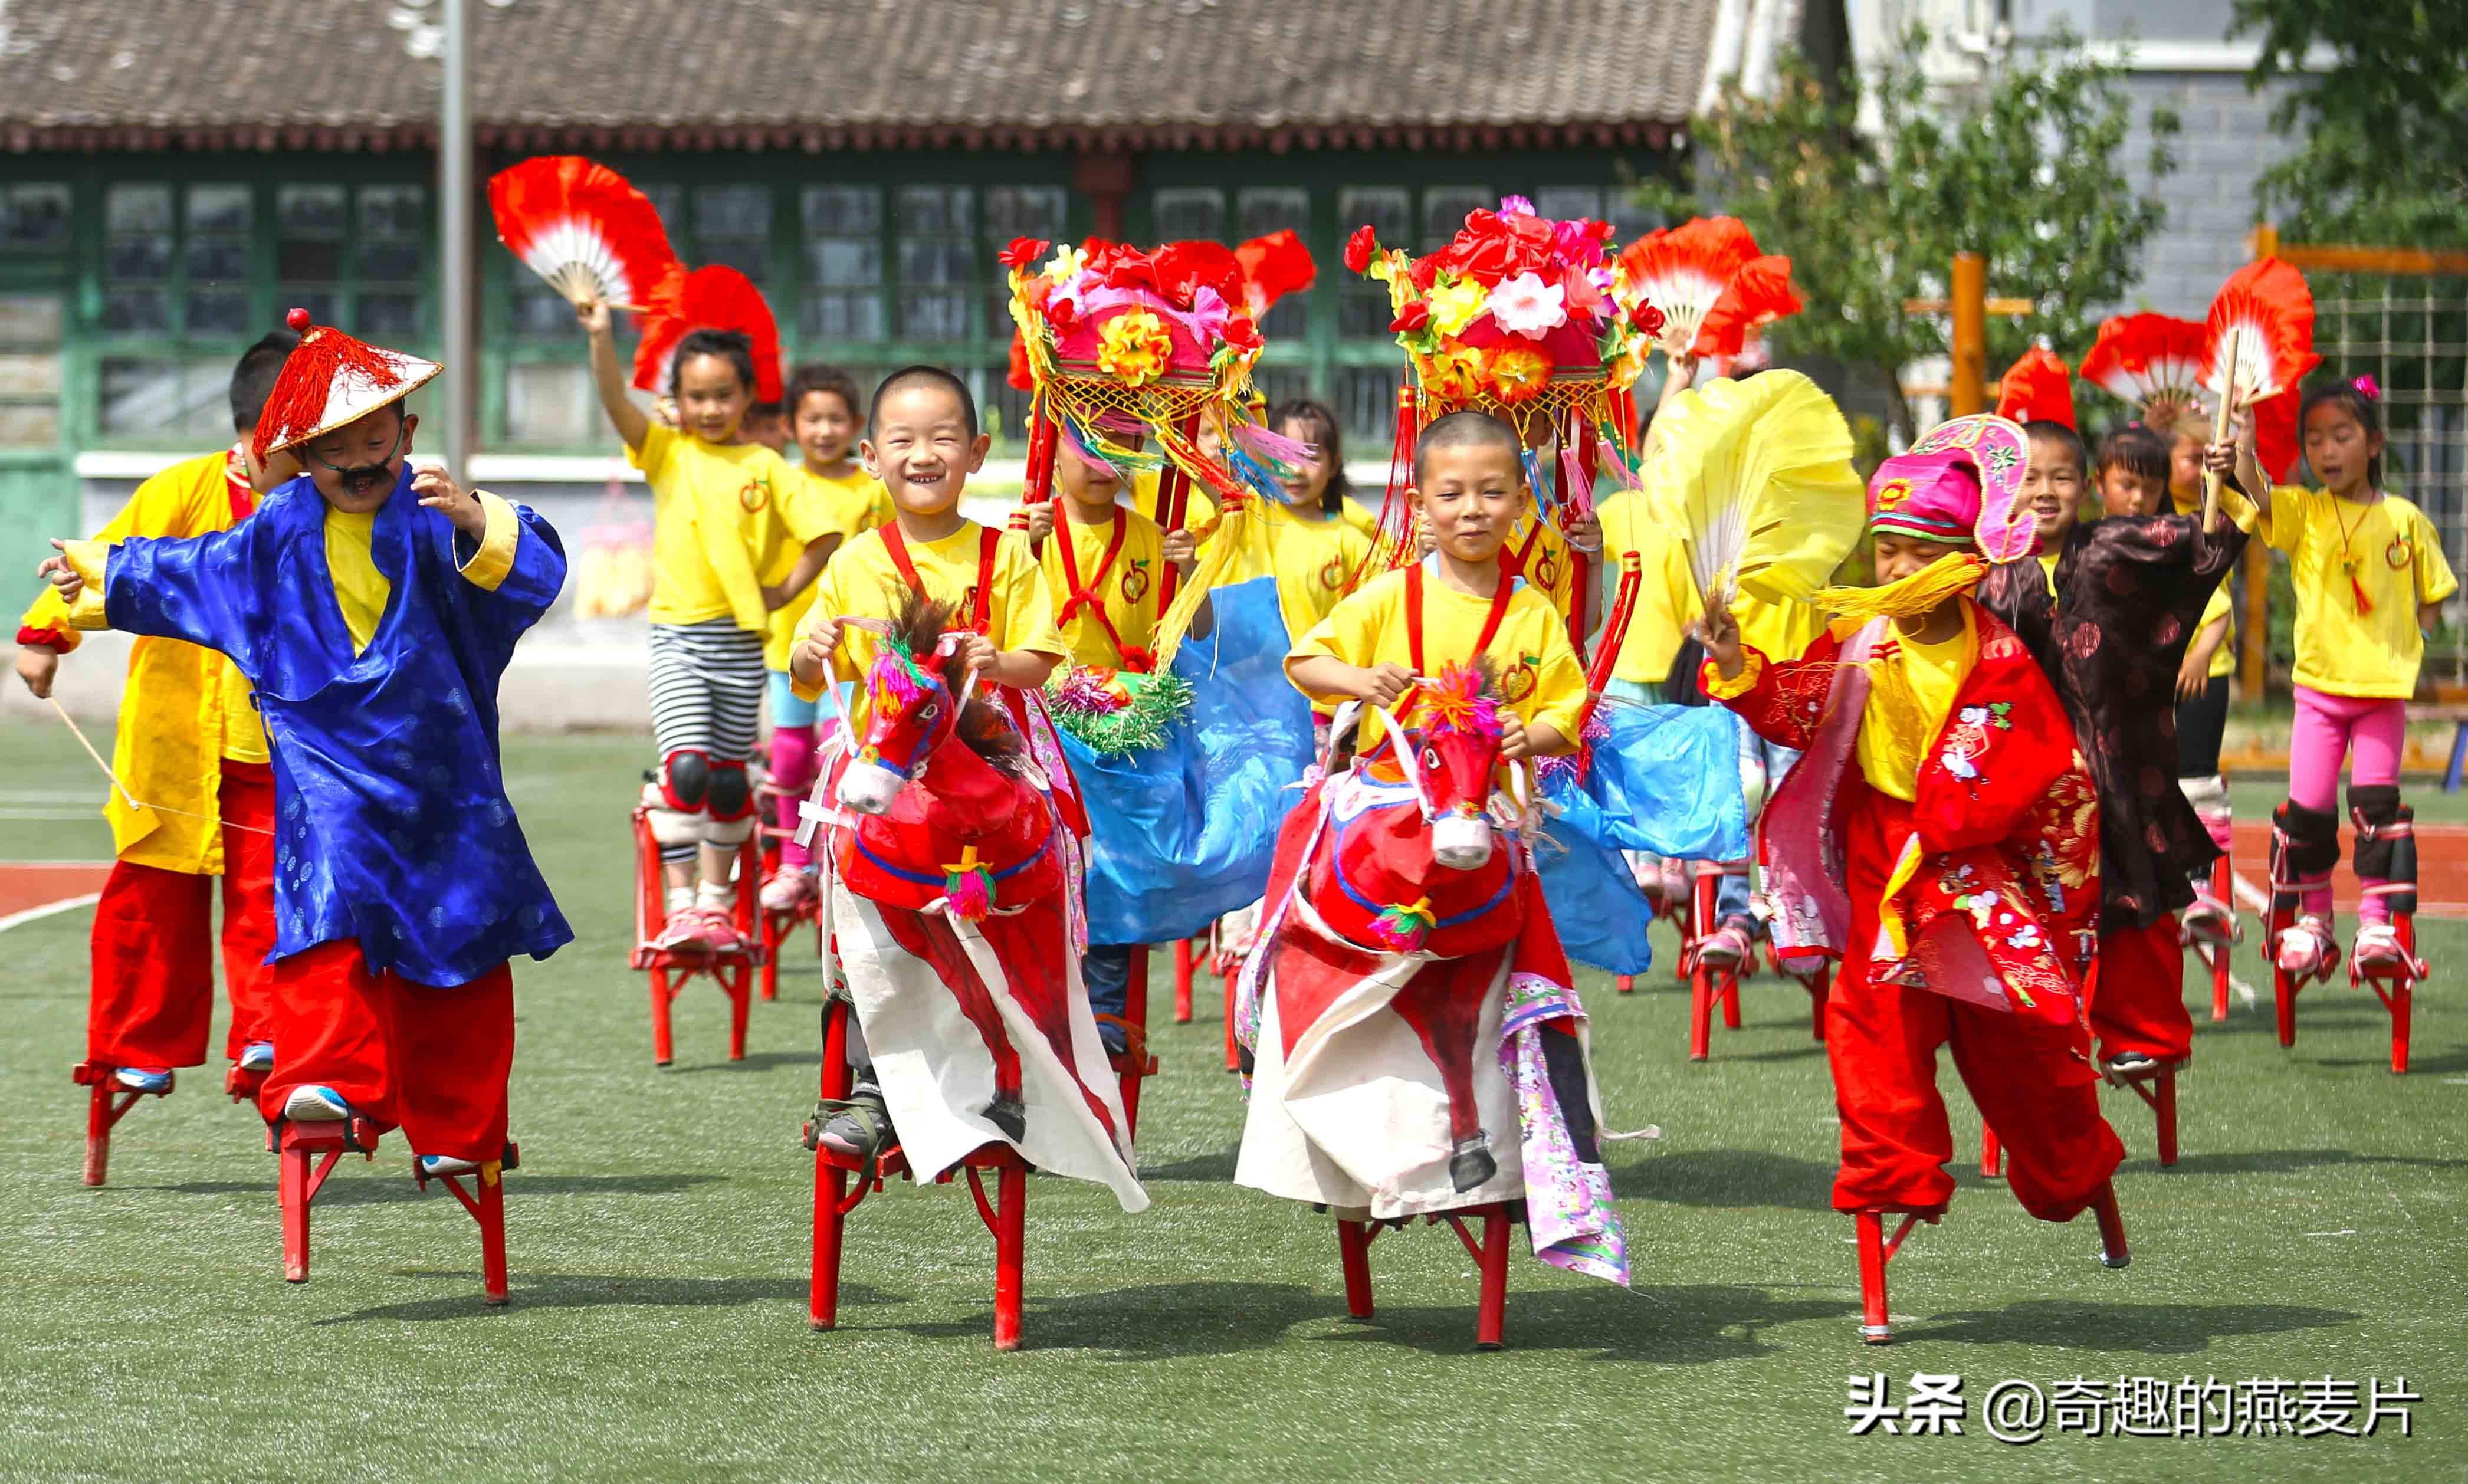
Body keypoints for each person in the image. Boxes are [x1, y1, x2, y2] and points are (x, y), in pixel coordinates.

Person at [37, 311, 571, 1178]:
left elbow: (536, 567)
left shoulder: (439, 517)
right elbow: (191, 572)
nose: (360, 463)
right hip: (326, 790)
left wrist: (478, 520)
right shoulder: (276, 532)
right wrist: (96, 578)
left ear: (408, 432)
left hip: (445, 788)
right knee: (320, 929)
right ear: (298, 454)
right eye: (335, 449)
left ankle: (458, 1128)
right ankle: (324, 1077)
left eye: (377, 440)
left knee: (461, 949)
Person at [1699, 427, 2126, 1238]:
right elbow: (1805, 701)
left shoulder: (1998, 659)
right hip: (1881, 858)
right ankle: (1891, 1175)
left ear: (1965, 558)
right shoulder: (1862, 642)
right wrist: (1739, 664)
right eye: (1886, 550)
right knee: (1873, 1029)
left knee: (2022, 1052)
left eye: (1916, 551)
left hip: (1972, 870)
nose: (1895, 569)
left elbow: (2031, 759)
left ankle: (2072, 1167)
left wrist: (1943, 830)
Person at [1243, 410, 1622, 1278]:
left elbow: (1572, 708)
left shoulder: (1531, 611)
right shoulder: (1390, 597)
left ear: (1523, 504)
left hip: (1488, 819)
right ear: (1421, 504)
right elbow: (1308, 661)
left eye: (1493, 493)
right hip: (1382, 805)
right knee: (1297, 888)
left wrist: (1536, 732)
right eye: (1453, 494)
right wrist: (1360, 680)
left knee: (1532, 953)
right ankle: (1276, 1036)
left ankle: (1547, 1142)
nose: (1473, 510)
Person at [787, 366, 1068, 1161]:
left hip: (992, 767)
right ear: (871, 457)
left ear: (977, 452)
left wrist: (998, 659)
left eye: (944, 438)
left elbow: (1040, 662)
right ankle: (875, 1088)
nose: (924, 454)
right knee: (864, 911)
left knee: (1051, 861)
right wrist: (810, 653)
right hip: (886, 775)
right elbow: (816, 675)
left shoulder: (1005, 555)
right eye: (903, 440)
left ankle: (1021, 1071)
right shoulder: (853, 562)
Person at [15, 330, 296, 1098]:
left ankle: (268, 1034)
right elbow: (100, 557)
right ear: (257, 434)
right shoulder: (181, 490)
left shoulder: (320, 508)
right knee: (152, 899)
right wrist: (47, 633)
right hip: (175, 739)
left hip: (275, 749)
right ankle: (137, 1043)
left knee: (270, 898)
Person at [1981, 421, 2252, 1085]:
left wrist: (2235, 468)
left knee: (2136, 898)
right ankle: (2031, 1033)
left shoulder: (2113, 546)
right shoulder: (1984, 577)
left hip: (2120, 767)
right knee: (2016, 910)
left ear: (2088, 487)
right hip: (2024, 786)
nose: (2044, 493)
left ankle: (2145, 1035)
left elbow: (2207, 542)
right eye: (2028, 479)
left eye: (2061, 477)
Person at [581, 297, 839, 951]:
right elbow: (614, 402)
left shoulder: (767, 466)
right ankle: (678, 906)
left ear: (748, 395)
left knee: (727, 781)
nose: (710, 409)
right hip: (678, 641)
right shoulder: (668, 452)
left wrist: (781, 590)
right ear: (677, 400)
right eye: (696, 396)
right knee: (688, 771)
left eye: (723, 395)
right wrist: (601, 339)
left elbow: (823, 535)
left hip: (743, 646)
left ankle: (716, 903)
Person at [2223, 377, 2458, 978]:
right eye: (2314, 439)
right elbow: (2257, 494)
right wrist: (2243, 447)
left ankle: (2376, 921)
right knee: (2306, 813)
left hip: (2380, 696)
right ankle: (2316, 922)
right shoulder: (2304, 510)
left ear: (2374, 442)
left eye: (2341, 436)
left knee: (2376, 809)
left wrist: (2416, 638)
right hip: (2318, 695)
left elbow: (2432, 592)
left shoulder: (2405, 520)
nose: (2325, 451)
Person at [1021, 416, 1200, 1053]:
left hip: (1126, 732)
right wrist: (1023, 551)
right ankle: (1031, 997)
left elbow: (1193, 633)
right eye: (1087, 444)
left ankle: (1102, 1010)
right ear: (1047, 446)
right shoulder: (1024, 533)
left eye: (1123, 446)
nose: (1104, 460)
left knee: (1115, 870)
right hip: (1043, 722)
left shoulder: (1153, 537)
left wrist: (1193, 573)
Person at [760, 364, 892, 914]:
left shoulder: (874, 488)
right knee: (790, 758)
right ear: (791, 425)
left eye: (836, 419)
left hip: (858, 651)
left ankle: (850, 851)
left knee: (849, 758)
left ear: (857, 426)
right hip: (791, 642)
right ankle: (797, 863)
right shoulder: (777, 482)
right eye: (812, 419)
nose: (824, 430)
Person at [2167, 411, 2240, 940]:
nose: (2199, 466)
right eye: (2189, 458)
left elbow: (2219, 606)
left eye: (2202, 458)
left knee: (2198, 777)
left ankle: (2201, 886)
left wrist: (2198, 656)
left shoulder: (2214, 513)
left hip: (2204, 672)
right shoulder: (2143, 519)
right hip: (2153, 674)